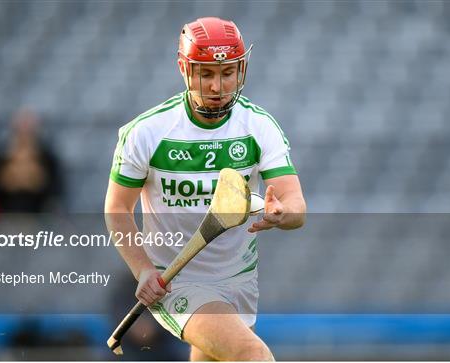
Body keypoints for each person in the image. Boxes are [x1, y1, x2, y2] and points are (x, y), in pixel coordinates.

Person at [105, 17, 306, 361]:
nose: (217, 87)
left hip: (239, 280)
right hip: (177, 280)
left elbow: (295, 205)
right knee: (251, 355)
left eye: (227, 73)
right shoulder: (147, 132)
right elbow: (117, 210)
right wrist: (142, 270)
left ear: (241, 71)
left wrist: (280, 214)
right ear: (184, 69)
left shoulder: (258, 126)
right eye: (206, 74)